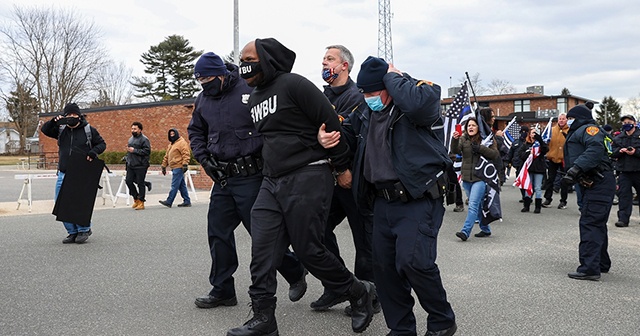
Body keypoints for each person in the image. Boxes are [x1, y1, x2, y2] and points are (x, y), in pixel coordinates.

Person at [226, 38, 374, 336]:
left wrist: (341, 165)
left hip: (308, 174)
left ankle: (358, 291)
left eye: (249, 58)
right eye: (241, 59)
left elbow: (330, 124)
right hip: (272, 182)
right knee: (263, 250)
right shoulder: (254, 97)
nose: (244, 64)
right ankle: (263, 317)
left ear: (267, 59)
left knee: (309, 250)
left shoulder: (295, 85)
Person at [323, 56, 457, 335]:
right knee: (384, 271)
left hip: (418, 198)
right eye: (365, 93)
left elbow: (424, 103)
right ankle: (401, 329)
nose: (369, 98)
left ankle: (443, 322)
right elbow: (347, 134)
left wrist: (396, 78)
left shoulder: (412, 106)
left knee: (414, 263)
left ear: (389, 86)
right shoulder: (366, 113)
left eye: (374, 92)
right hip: (381, 202)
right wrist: (328, 138)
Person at [187, 52, 307, 312]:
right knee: (218, 233)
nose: (204, 84)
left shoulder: (248, 88)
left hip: (252, 175)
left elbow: (272, 124)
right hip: (222, 178)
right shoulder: (203, 99)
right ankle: (223, 290)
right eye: (200, 80)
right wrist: (205, 160)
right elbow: (196, 131)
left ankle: (295, 269)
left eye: (207, 78)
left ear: (221, 73)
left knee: (263, 236)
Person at [315, 44, 378, 315]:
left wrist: (343, 169)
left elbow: (346, 138)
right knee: (317, 231)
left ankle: (368, 293)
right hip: (328, 179)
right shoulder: (321, 96)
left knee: (363, 239)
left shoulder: (357, 96)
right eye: (323, 59)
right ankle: (338, 286)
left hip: (354, 177)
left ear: (344, 66)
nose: (324, 63)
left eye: (330, 59)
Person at [561, 104, 614, 281]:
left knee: (590, 223)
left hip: (598, 181)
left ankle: (589, 268)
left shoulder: (589, 129)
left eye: (570, 118)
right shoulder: (580, 130)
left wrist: (576, 169)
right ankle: (601, 263)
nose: (568, 121)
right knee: (596, 223)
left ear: (578, 118)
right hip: (593, 182)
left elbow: (595, 150)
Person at [41, 103, 106, 244]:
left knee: (79, 203)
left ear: (79, 115)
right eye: (68, 115)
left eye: (74, 115)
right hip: (64, 172)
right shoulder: (61, 129)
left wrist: (93, 152)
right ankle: (72, 232)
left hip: (81, 172)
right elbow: (44, 130)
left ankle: (84, 229)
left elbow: (102, 144)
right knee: (61, 203)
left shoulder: (88, 130)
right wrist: (54, 121)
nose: (71, 117)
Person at [452, 117, 499, 241]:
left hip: (480, 178)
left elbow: (495, 155)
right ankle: (486, 229)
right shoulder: (463, 138)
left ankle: (465, 231)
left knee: (472, 205)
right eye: (468, 126)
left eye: (473, 125)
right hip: (467, 178)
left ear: (479, 127)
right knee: (477, 206)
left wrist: (480, 148)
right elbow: (455, 150)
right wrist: (454, 139)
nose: (470, 127)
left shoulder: (486, 139)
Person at [611, 115, 640, 227]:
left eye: (629, 122)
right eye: (624, 122)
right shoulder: (618, 138)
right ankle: (623, 219)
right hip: (624, 171)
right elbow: (612, 152)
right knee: (624, 196)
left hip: (638, 170)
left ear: (634, 123)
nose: (626, 124)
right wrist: (620, 151)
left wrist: (635, 152)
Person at [516, 128, 549, 213]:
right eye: (532, 133)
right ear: (529, 134)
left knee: (537, 187)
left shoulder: (540, 144)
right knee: (528, 186)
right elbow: (520, 155)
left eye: (535, 133)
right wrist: (529, 153)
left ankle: (538, 207)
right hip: (529, 168)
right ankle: (526, 205)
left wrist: (540, 140)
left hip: (539, 168)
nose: (533, 135)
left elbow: (545, 150)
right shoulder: (525, 144)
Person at [542, 113, 570, 209]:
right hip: (552, 158)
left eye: (563, 119)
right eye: (560, 119)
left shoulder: (570, 131)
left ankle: (563, 201)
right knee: (550, 180)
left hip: (564, 160)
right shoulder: (551, 130)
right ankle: (548, 199)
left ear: (566, 120)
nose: (561, 120)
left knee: (564, 181)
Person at [158, 128, 191, 208]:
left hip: (179, 167)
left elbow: (186, 154)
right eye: (170, 134)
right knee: (181, 185)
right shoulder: (171, 145)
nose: (172, 135)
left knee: (174, 185)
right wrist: (163, 166)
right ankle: (187, 201)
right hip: (174, 167)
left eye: (173, 134)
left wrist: (185, 164)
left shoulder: (181, 143)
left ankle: (169, 201)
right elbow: (166, 156)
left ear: (177, 134)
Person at [125, 121, 151, 210]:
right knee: (128, 181)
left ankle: (141, 202)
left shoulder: (144, 139)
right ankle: (136, 198)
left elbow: (147, 151)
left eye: (135, 129)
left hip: (141, 165)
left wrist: (135, 150)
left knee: (140, 183)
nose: (133, 130)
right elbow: (129, 151)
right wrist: (127, 159)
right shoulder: (130, 139)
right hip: (131, 164)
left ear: (140, 130)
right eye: (132, 128)